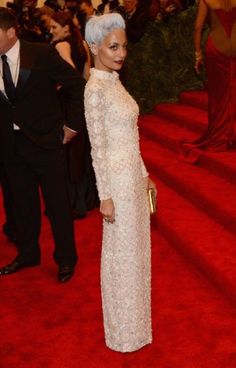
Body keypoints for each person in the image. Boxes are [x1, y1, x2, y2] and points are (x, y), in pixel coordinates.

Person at [84, 13, 156, 352]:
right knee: (121, 257)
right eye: (113, 47)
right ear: (93, 46)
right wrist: (105, 195)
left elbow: (132, 137)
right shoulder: (95, 88)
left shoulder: (115, 81)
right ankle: (123, 333)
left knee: (137, 255)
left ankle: (138, 327)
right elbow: (97, 147)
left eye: (124, 47)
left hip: (133, 181)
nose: (120, 53)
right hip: (115, 183)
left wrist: (144, 174)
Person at [0, 7, 85, 282]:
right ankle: (28, 253)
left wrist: (71, 126)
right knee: (22, 205)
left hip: (47, 143)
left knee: (58, 205)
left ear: (11, 32)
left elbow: (76, 86)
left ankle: (66, 259)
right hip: (11, 146)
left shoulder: (42, 54)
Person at [50, 11, 99, 218]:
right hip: (82, 103)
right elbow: (87, 75)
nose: (50, 30)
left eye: (54, 27)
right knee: (81, 154)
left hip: (67, 105)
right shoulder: (82, 44)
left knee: (70, 156)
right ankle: (86, 200)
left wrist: (56, 86)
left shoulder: (62, 45)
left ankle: (73, 204)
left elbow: (70, 77)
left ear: (66, 27)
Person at [179, 0, 236, 163]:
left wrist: (197, 53)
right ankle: (231, 134)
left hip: (217, 47)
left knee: (219, 96)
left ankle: (220, 137)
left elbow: (198, 27)